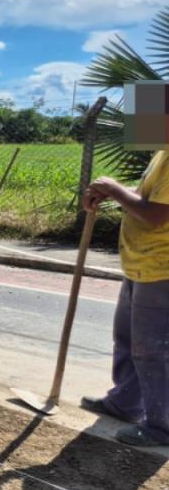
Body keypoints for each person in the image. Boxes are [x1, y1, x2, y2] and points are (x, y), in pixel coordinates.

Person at [81, 156, 169, 447]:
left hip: (161, 269)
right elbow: (149, 195)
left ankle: (161, 425)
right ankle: (124, 402)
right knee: (127, 339)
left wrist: (114, 188)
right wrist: (114, 193)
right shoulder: (162, 152)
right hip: (140, 264)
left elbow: (157, 214)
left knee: (152, 350)